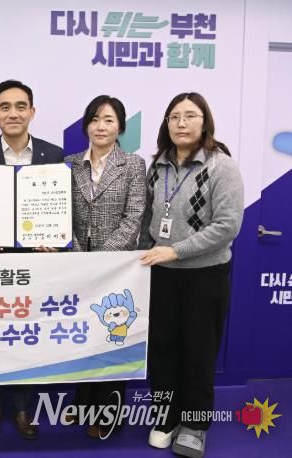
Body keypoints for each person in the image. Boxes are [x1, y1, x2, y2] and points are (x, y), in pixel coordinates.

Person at [139, 93, 244, 458]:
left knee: (198, 352)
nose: (181, 123)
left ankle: (195, 424)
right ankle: (165, 417)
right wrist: (147, 253)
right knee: (163, 350)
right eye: (174, 116)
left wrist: (176, 250)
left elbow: (227, 226)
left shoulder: (221, 166)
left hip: (205, 275)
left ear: (205, 122)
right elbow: (148, 218)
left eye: (190, 115)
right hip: (162, 275)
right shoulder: (158, 166)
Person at [0, 79, 63, 440]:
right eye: (5, 107)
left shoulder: (53, 154)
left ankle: (23, 407)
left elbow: (58, 208)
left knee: (28, 334)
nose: (13, 113)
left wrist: (53, 239)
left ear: (32, 112)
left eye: (21, 106)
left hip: (36, 263)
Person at [64, 95, 146, 439]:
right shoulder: (69, 164)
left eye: (109, 120)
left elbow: (134, 218)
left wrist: (102, 259)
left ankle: (109, 412)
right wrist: (80, 255)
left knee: (114, 339)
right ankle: (83, 402)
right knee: (84, 337)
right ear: (86, 125)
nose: (101, 126)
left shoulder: (134, 165)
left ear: (120, 127)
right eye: (95, 119)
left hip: (118, 269)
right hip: (77, 266)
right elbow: (60, 215)